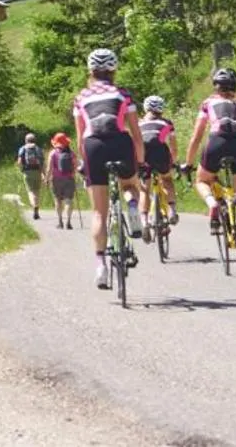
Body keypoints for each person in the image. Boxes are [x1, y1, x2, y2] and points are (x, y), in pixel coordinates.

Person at [73, 48, 146, 290]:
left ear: (90, 71)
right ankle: (133, 206)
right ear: (113, 70)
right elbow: (136, 134)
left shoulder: (81, 96)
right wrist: (142, 162)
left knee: (99, 214)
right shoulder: (123, 94)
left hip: (94, 146)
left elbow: (80, 137)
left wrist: (84, 165)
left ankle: (101, 267)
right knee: (129, 185)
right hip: (120, 143)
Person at [185, 67, 236, 250]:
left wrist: (189, 163)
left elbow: (196, 137)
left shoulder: (208, 103)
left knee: (201, 180)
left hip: (217, 142)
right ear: (235, 86)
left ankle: (212, 204)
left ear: (216, 86)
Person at [139, 96, 179, 229]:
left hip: (144, 154)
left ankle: (144, 221)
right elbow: (173, 145)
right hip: (160, 153)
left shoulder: (139, 124)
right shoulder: (166, 123)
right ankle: (172, 211)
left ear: (146, 108)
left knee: (144, 189)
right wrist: (173, 161)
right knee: (167, 180)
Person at [45, 131, 78, 229]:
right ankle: (68, 222)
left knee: (58, 200)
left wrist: (47, 178)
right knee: (68, 201)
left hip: (56, 180)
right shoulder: (71, 153)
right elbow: (76, 166)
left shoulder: (53, 153)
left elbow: (49, 168)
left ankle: (60, 222)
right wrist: (73, 174)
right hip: (69, 179)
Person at [16, 131, 46, 219]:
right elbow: (42, 163)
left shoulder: (23, 148)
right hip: (37, 171)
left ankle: (34, 206)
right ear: (34, 140)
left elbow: (19, 162)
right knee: (37, 191)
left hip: (27, 172)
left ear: (26, 140)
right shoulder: (38, 149)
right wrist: (44, 174)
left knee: (30, 191)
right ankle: (36, 206)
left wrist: (22, 169)